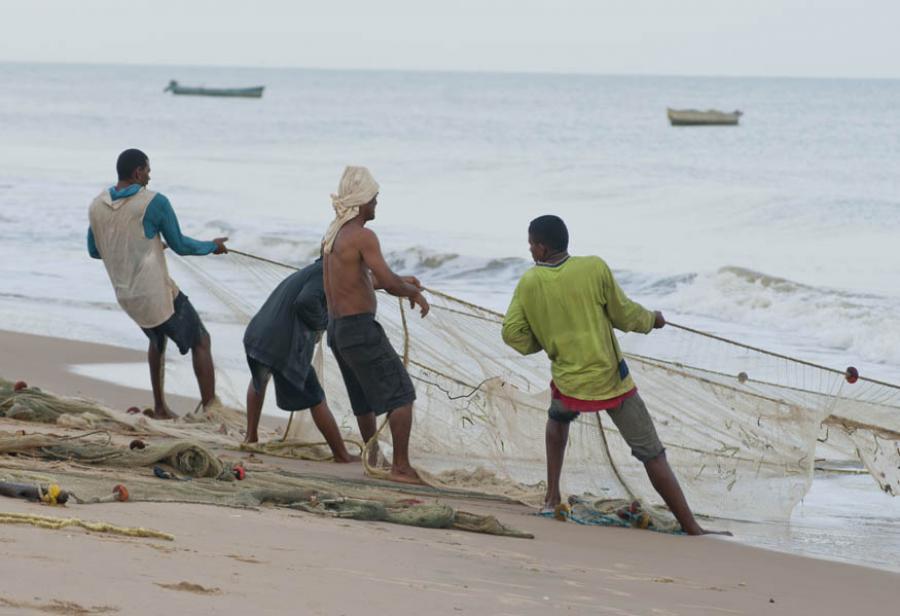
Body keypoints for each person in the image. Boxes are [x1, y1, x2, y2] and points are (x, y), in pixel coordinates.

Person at [502, 215, 722, 535]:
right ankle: (691, 526)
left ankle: (552, 496)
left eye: (531, 244)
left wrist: (545, 339)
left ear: (542, 247)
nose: (530, 250)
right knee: (652, 453)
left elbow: (512, 333)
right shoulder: (594, 267)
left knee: (558, 418)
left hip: (570, 381)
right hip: (610, 380)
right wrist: (653, 320)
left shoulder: (529, 282)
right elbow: (623, 313)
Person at [87, 149, 227, 419]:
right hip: (153, 292)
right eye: (148, 171)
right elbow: (181, 245)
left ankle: (161, 407)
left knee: (157, 338)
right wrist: (213, 246)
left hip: (127, 296)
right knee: (201, 340)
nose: (150, 177)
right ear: (138, 172)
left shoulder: (96, 205)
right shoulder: (155, 202)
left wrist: (141, 246)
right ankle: (212, 412)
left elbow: (95, 250)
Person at [322, 166, 429, 484]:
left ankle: (373, 458)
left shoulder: (332, 234)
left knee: (363, 399)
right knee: (402, 395)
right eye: (374, 199)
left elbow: (356, 280)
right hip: (359, 329)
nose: (376, 204)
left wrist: (399, 281)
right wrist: (412, 293)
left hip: (337, 332)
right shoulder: (364, 236)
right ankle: (400, 466)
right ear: (362, 201)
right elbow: (384, 279)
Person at [242, 258, 358, 463]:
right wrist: (324, 322)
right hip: (282, 345)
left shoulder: (309, 271)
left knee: (259, 379)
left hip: (257, 336)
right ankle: (341, 454)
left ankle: (250, 438)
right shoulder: (325, 273)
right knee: (316, 396)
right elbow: (305, 302)